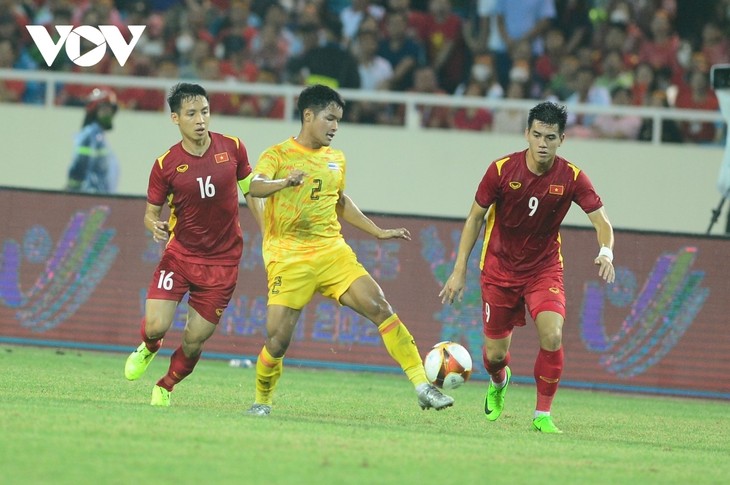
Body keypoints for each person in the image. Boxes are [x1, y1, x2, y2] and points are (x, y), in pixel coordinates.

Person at [245, 84, 453, 416]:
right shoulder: (278, 155)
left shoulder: (336, 159)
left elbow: (340, 201)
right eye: (330, 118)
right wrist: (284, 182)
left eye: (338, 120)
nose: (335, 127)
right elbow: (253, 187)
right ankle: (262, 401)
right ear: (308, 115)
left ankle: (422, 385)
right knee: (276, 341)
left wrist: (377, 231)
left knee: (379, 306)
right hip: (289, 256)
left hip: (332, 252)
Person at [439, 101, 615, 434]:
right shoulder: (502, 170)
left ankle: (542, 414)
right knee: (494, 355)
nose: (543, 143)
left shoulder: (572, 177)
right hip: (499, 270)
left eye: (550, 137)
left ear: (562, 139)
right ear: (527, 134)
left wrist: (606, 251)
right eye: (537, 135)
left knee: (552, 334)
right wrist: (459, 269)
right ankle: (500, 379)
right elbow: (475, 217)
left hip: (543, 270)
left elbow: (601, 220)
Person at [123, 83, 263, 406]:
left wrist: (268, 230)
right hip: (180, 256)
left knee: (194, 340)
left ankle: (166, 385)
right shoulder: (166, 164)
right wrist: (153, 226)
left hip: (223, 264)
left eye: (205, 111)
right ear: (175, 119)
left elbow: (251, 192)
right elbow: (150, 213)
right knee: (157, 326)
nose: (200, 119)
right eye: (191, 113)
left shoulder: (233, 148)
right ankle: (149, 346)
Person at [65, 88, 120, 193]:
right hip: (91, 198)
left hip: (100, 197)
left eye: (110, 111)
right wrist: (72, 194)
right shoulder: (90, 136)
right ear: (94, 111)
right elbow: (79, 166)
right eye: (105, 110)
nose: (109, 115)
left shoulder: (99, 136)